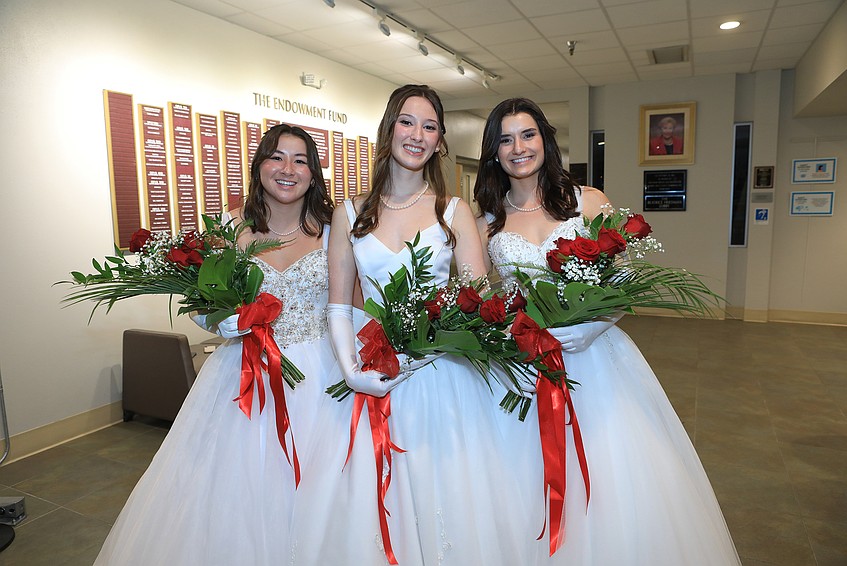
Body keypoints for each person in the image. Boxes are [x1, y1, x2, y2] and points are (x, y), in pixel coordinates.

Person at [474, 98, 741, 565]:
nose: (518, 147)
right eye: (505, 139)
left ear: (545, 140)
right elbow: (483, 298)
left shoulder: (587, 200)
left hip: (597, 358)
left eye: (528, 134)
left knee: (610, 470)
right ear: (494, 152)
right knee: (528, 475)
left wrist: (595, 326)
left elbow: (621, 282)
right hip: (528, 364)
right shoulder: (486, 223)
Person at [289, 85, 529, 565]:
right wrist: (352, 370)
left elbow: (480, 297)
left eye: (429, 126)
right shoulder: (349, 213)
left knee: (449, 501)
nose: (416, 135)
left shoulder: (453, 210)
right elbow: (339, 305)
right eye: (406, 122)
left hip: (443, 379)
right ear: (388, 129)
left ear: (440, 140)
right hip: (374, 373)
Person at [94, 123, 336, 565]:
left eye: (301, 160)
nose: (288, 169)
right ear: (259, 164)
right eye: (277, 157)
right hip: (242, 374)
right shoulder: (230, 232)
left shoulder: (334, 230)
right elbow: (201, 302)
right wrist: (219, 321)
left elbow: (349, 303)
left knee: (323, 488)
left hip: (319, 374)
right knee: (233, 492)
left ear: (313, 172)